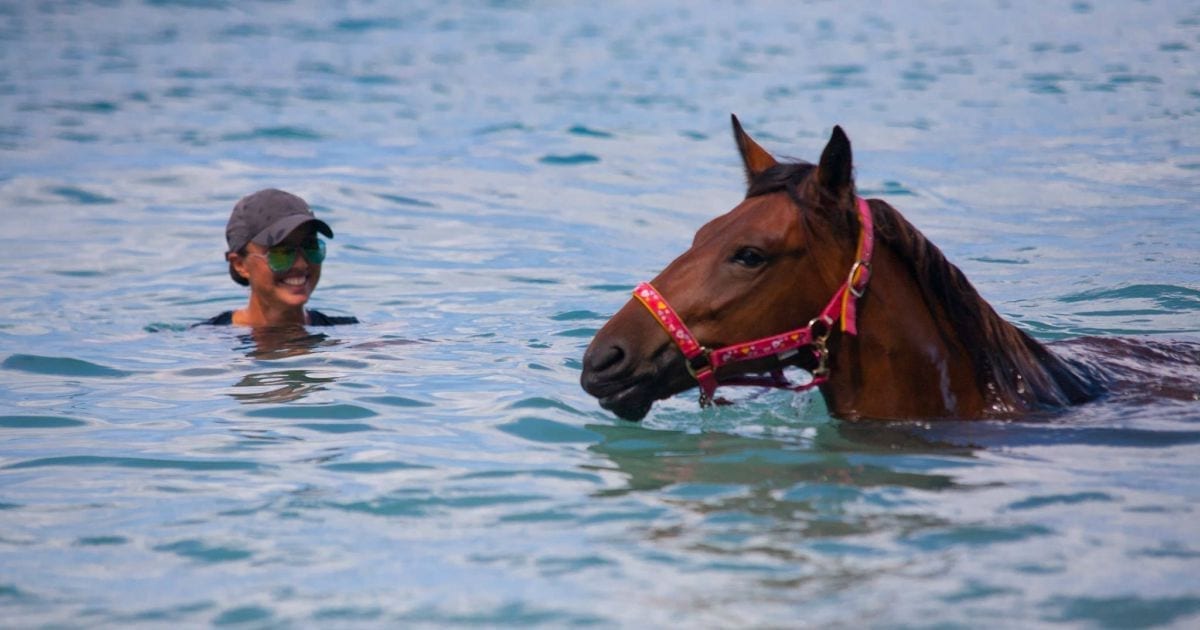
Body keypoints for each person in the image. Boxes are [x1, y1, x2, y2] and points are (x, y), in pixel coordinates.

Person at [196, 188, 358, 327]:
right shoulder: (211, 342)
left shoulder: (349, 337)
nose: (301, 264)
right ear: (240, 265)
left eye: (311, 246)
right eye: (281, 252)